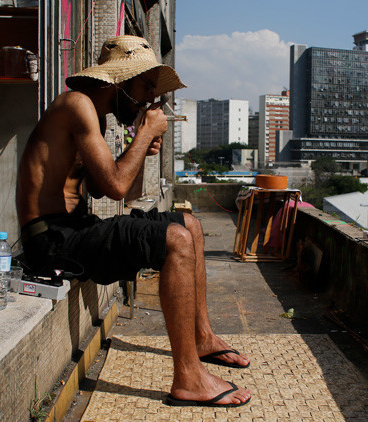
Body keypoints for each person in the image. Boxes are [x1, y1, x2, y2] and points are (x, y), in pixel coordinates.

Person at [16, 35, 251, 408]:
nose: (150, 100)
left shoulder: (97, 115)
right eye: (146, 88)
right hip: (51, 241)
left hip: (77, 230)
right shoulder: (77, 105)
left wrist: (143, 148)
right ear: (122, 82)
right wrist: (143, 134)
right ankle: (188, 378)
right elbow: (115, 186)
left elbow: (119, 191)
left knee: (189, 225)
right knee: (174, 239)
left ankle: (202, 336)